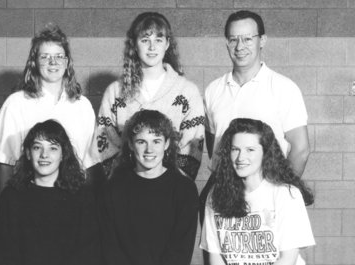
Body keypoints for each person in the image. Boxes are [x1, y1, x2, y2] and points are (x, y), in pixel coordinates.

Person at [200, 9, 310, 221]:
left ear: (262, 40)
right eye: (233, 40)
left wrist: (281, 192)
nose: (240, 47)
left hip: (268, 193)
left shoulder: (283, 88)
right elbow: (215, 146)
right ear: (227, 43)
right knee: (219, 252)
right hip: (225, 191)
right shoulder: (213, 90)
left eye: (248, 39)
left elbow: (301, 149)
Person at [0, 23, 100, 189]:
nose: (53, 62)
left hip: (72, 197)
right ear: (34, 62)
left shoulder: (82, 105)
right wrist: (9, 206)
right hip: (30, 196)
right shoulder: (16, 103)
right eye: (45, 56)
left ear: (67, 61)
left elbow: (90, 164)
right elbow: (6, 163)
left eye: (58, 56)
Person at [97, 12, 205, 180]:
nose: (152, 47)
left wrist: (174, 184)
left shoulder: (187, 91)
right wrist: (120, 181)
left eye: (158, 40)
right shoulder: (115, 91)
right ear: (134, 44)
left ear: (167, 44)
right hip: (126, 186)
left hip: (172, 188)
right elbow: (106, 143)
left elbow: (192, 147)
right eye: (145, 40)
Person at [0, 120, 100, 265]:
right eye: (37, 147)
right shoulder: (12, 196)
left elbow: (89, 252)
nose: (44, 155)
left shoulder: (81, 196)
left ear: (63, 154)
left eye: (53, 148)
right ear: (28, 153)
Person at [200, 118, 315, 265]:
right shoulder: (215, 195)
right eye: (235, 149)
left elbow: (287, 260)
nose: (241, 157)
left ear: (265, 153)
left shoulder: (286, 195)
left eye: (250, 150)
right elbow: (215, 258)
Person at [100, 109, 199, 265]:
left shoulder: (184, 190)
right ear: (131, 145)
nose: (149, 150)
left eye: (156, 141)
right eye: (141, 142)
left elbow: (180, 252)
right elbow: (109, 249)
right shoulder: (113, 188)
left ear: (166, 144)